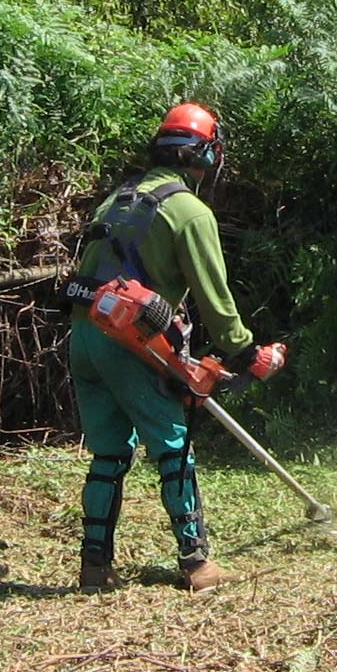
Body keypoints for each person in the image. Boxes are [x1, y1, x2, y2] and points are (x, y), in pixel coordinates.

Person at [67, 102, 286, 594]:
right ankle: (197, 564)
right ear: (206, 155)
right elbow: (215, 296)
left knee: (107, 453)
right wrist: (247, 354)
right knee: (173, 447)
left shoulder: (115, 199)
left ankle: (94, 568)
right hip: (126, 341)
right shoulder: (189, 211)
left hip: (84, 336)